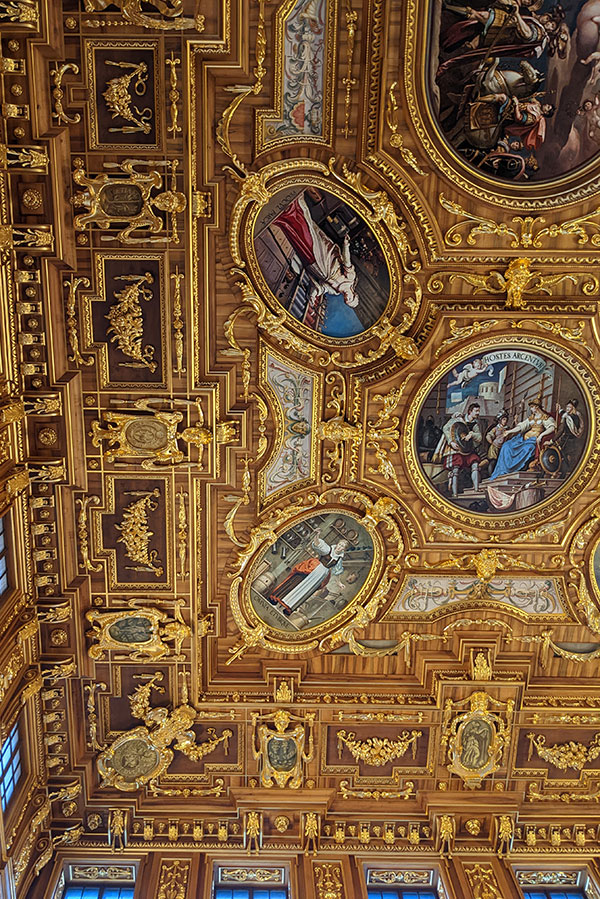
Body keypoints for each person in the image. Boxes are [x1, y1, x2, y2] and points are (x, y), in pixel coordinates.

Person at [272, 192, 359, 309]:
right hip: (325, 257)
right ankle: (294, 209)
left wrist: (313, 295)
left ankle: (285, 220)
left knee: (299, 241)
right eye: (350, 299)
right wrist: (346, 245)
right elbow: (347, 261)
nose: (346, 298)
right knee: (307, 236)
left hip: (316, 267)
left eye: (346, 301)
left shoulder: (335, 291)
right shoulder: (351, 278)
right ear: (354, 295)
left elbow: (321, 288)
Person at [268, 530, 349, 613]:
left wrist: (339, 583)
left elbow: (336, 572)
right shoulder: (328, 549)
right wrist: (317, 535)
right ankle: (276, 600)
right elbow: (317, 544)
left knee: (305, 591)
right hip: (313, 568)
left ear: (344, 549)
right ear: (337, 544)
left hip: (321, 576)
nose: (340, 547)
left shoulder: (339, 560)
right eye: (340, 544)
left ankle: (286, 608)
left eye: (342, 546)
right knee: (295, 583)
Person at [489, 398, 555, 480]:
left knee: (527, 448)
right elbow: (521, 427)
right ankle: (503, 470)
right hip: (522, 439)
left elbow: (552, 428)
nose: (531, 409)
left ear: (537, 407)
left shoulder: (545, 418)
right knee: (507, 445)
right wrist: (509, 432)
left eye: (532, 407)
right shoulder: (531, 418)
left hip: (532, 441)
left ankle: (512, 468)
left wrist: (542, 435)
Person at [433, 401, 483, 497]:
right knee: (455, 470)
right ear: (470, 411)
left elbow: (479, 438)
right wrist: (451, 442)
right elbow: (446, 428)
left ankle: (476, 489)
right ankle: (454, 494)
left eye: (478, 411)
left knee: (475, 464)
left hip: (467, 450)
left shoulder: (475, 425)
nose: (478, 413)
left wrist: (472, 435)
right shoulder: (458, 418)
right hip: (455, 449)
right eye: (476, 411)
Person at [556, 398, 585, 471]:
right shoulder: (577, 415)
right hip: (574, 440)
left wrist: (552, 440)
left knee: (564, 457)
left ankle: (563, 473)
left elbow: (561, 430)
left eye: (569, 407)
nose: (567, 408)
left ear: (573, 408)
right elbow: (565, 413)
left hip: (567, 440)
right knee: (567, 457)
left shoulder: (568, 418)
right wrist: (560, 410)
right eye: (567, 407)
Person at [486, 410, 510, 474]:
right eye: (503, 419)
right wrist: (491, 442)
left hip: (503, 448)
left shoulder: (507, 429)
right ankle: (490, 475)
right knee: (493, 461)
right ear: (500, 420)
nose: (505, 421)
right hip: (495, 447)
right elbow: (489, 435)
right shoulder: (496, 428)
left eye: (506, 420)